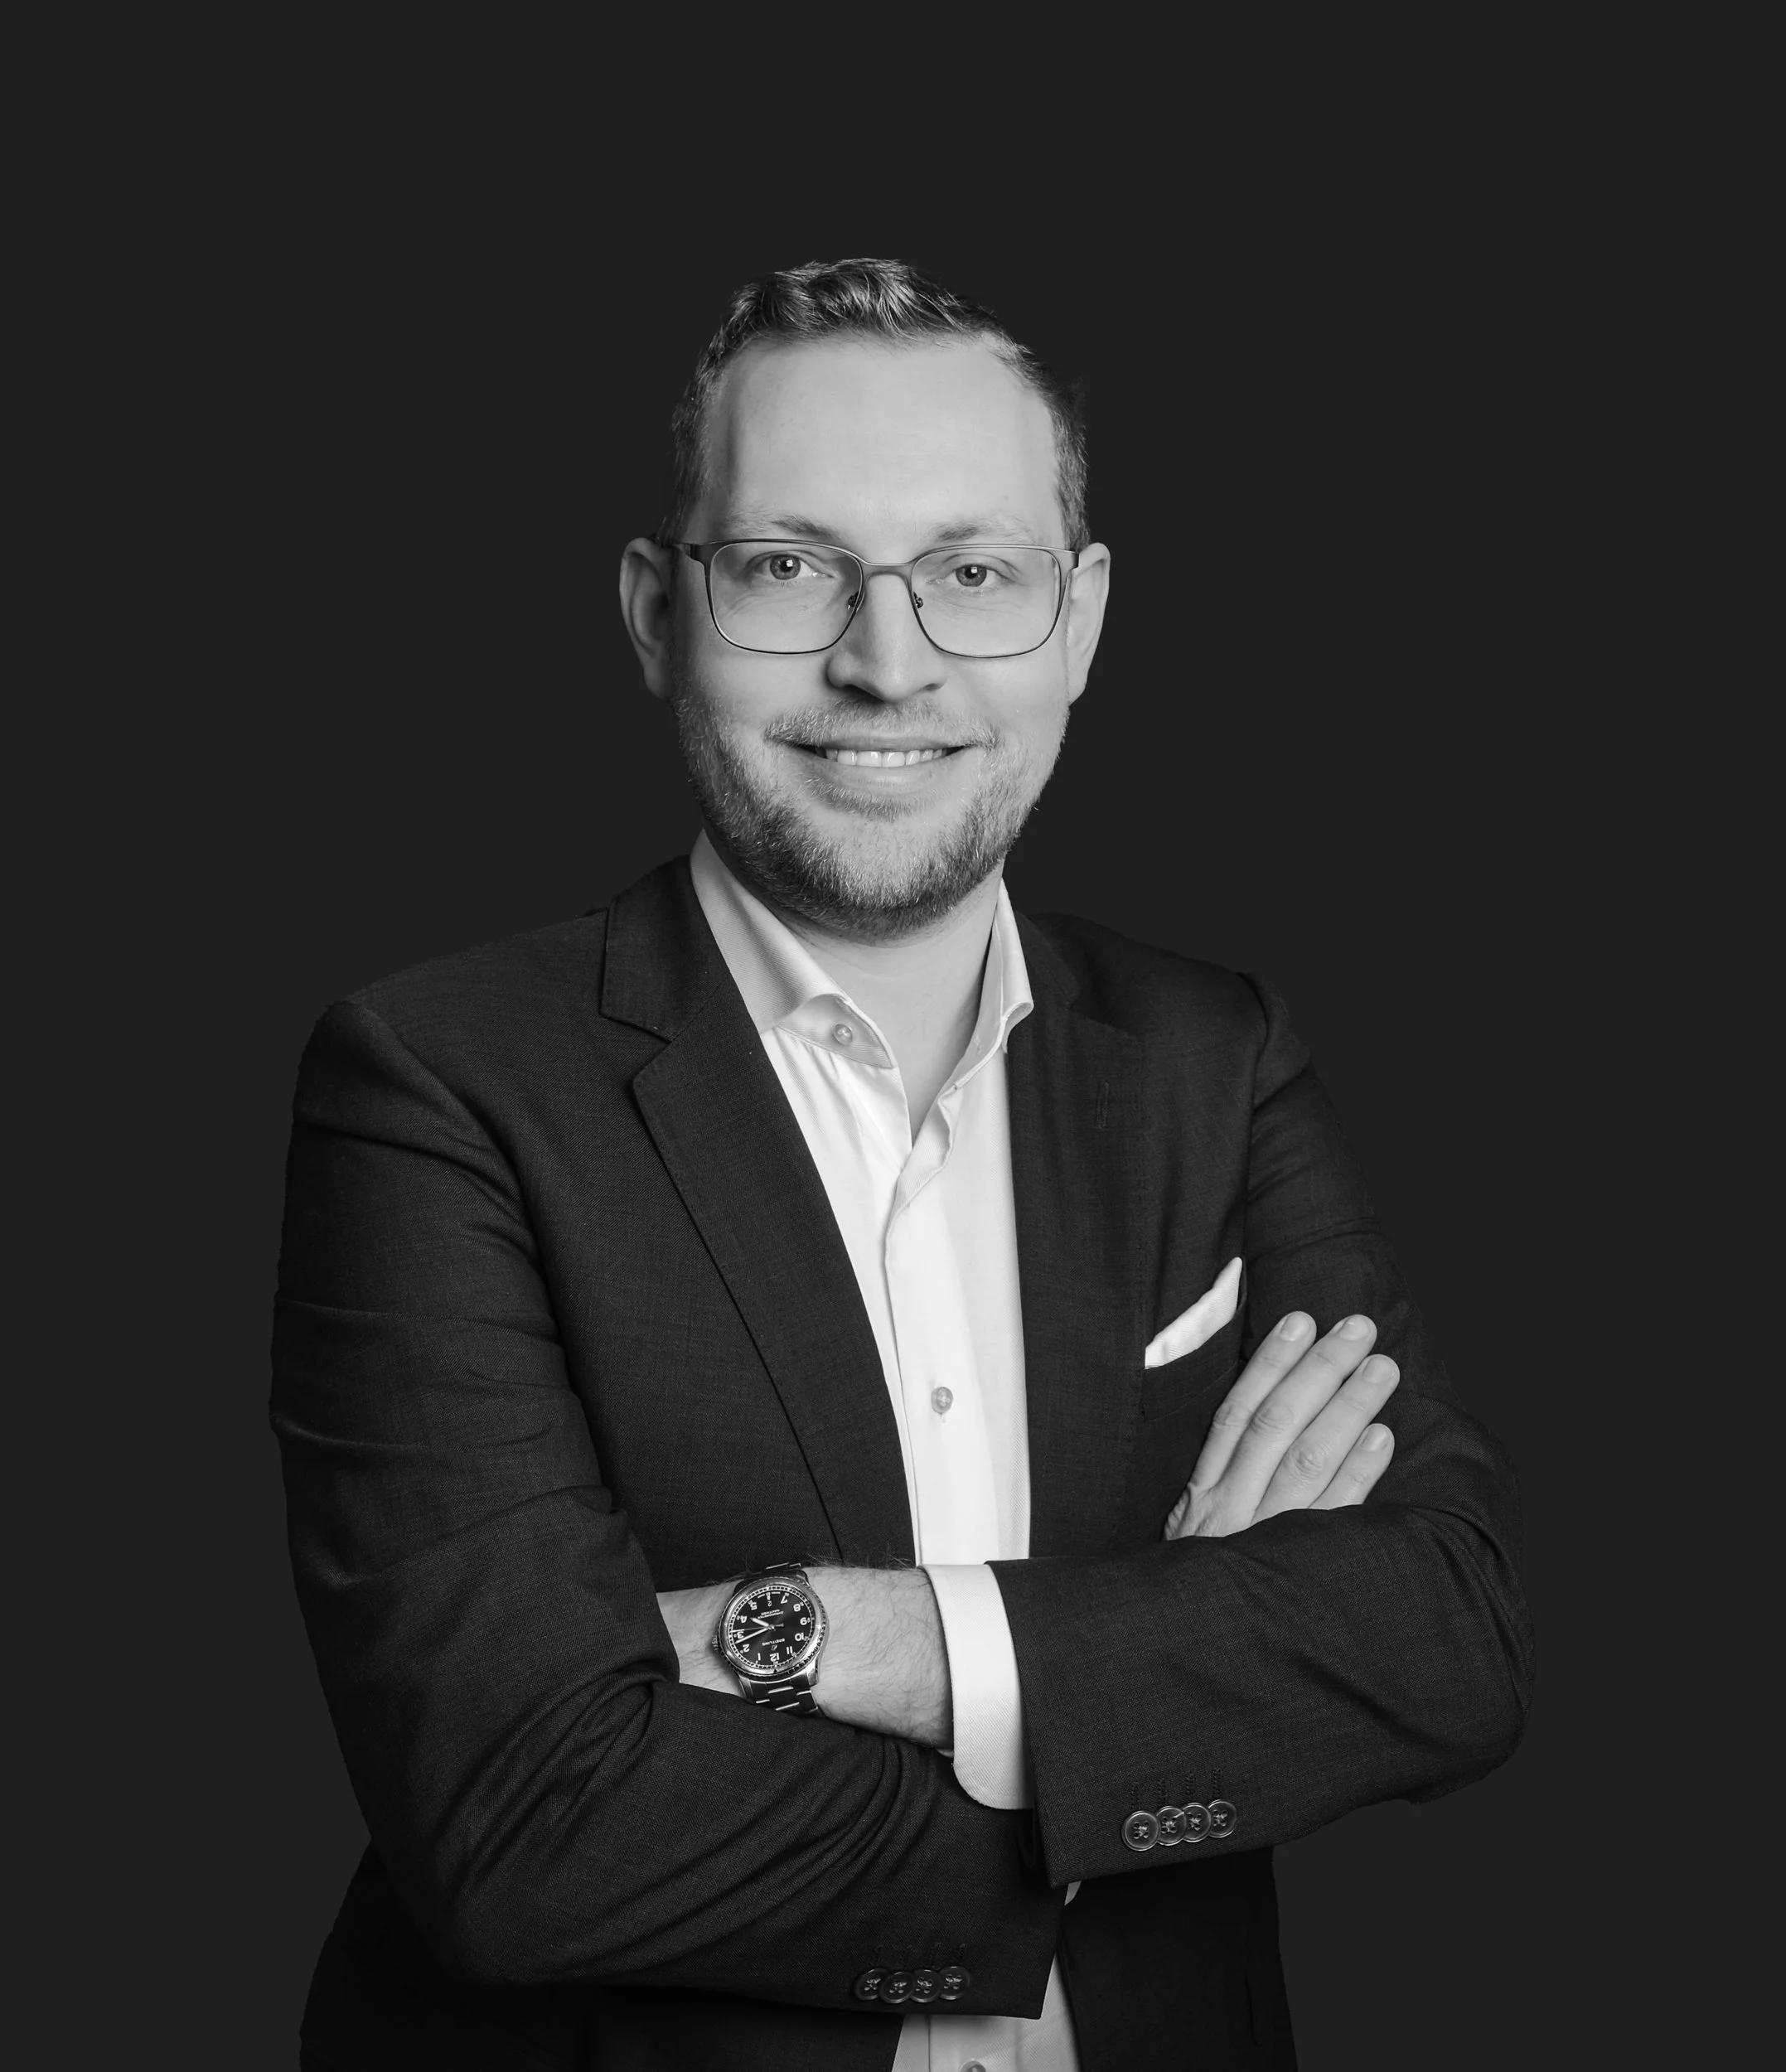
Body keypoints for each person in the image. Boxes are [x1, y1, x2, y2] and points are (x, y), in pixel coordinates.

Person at [272, 256, 1532, 2071]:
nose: (887, 657)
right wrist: (1154, 1707)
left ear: (1079, 619)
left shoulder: (1210, 1055)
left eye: (973, 572)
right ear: (654, 612)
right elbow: (527, 1824)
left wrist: (845, 1639)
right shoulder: (436, 1082)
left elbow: (1447, 1635)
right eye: (787, 567)